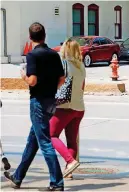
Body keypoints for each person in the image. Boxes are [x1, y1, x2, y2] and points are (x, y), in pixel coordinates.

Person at [4, 22, 65, 191]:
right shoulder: (54, 54)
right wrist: (51, 88)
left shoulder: (32, 56)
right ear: (44, 36)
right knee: (33, 140)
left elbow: (33, 81)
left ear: (30, 38)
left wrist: (24, 75)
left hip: (37, 101)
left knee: (44, 142)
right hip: (50, 100)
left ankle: (57, 182)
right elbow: (62, 79)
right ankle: (18, 177)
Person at [50, 39, 86, 179]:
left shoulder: (63, 64)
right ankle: (68, 171)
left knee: (51, 135)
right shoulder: (81, 66)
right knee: (71, 140)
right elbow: (83, 87)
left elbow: (57, 83)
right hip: (79, 107)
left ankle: (70, 161)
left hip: (65, 106)